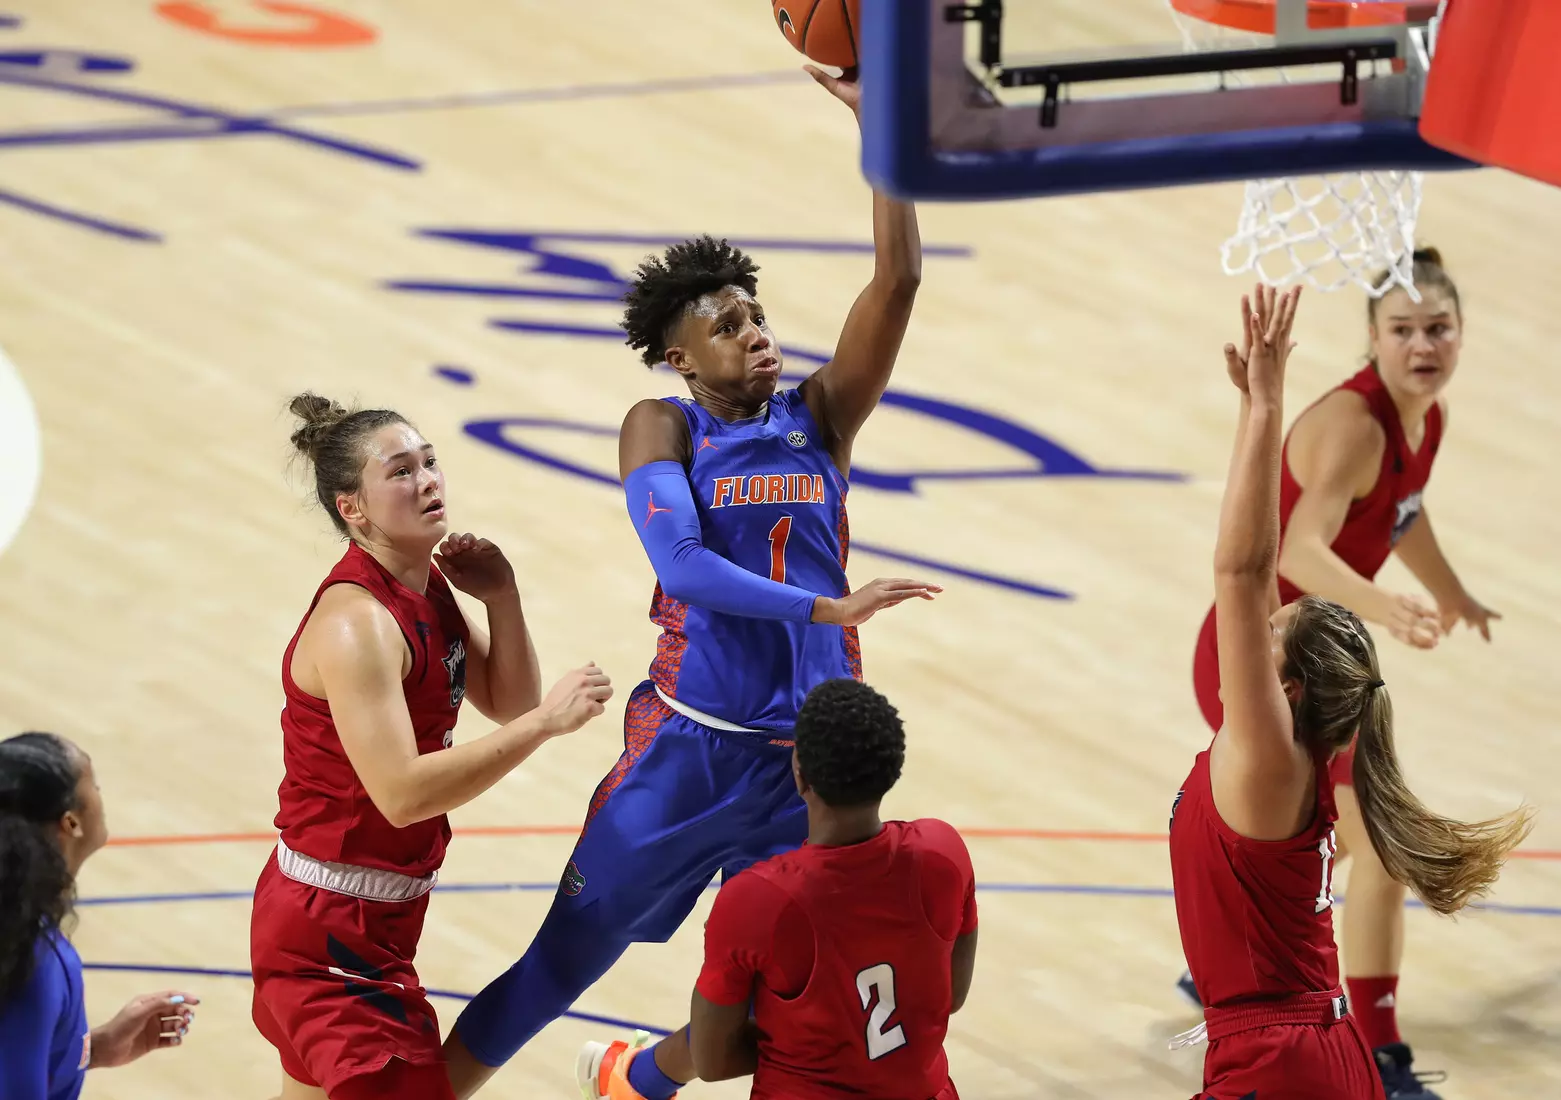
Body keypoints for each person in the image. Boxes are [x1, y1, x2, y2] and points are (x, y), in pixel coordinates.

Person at [444, 65, 941, 1100]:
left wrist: (883, 135)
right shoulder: (662, 425)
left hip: (801, 768)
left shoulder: (820, 416)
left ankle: (641, 1076)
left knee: (790, 1002)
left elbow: (896, 284)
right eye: (726, 324)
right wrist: (824, 607)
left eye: (757, 314)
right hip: (688, 751)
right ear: (678, 357)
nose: (755, 330)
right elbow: (680, 565)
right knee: (557, 966)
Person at [1168, 285, 1531, 1100]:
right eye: (1402, 329)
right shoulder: (1353, 426)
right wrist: (1383, 606)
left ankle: (1383, 1045)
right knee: (1338, 842)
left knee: (1359, 847)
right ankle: (1317, 999)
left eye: (1437, 327)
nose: (1421, 344)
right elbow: (1287, 557)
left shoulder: (1421, 422)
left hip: (1278, 1056)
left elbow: (1268, 563)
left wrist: (1260, 406)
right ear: (1371, 335)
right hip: (1318, 653)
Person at [250, 394, 612, 1100]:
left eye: (429, 462)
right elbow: (402, 793)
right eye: (400, 471)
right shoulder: (357, 623)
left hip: (376, 913)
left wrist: (502, 598)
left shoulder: (422, 584)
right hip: (329, 928)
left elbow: (505, 698)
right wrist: (545, 725)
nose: (426, 481)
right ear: (352, 508)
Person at [674, 677, 976, 1100]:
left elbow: (712, 1061)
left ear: (800, 773)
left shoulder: (757, 900)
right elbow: (951, 995)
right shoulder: (943, 852)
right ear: (891, 769)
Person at [0, 731, 199, 1099]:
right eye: (93, 783)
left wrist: (94, 1048)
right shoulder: (31, 960)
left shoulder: (20, 931)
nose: (100, 792)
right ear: (71, 822)